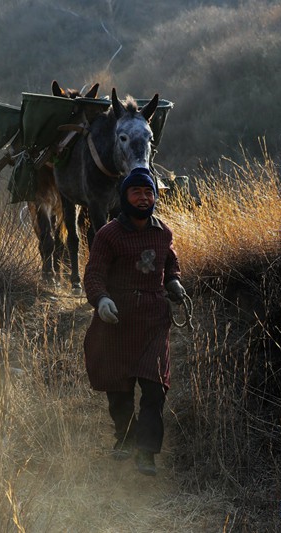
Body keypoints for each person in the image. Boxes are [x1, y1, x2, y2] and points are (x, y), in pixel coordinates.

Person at [83, 167, 187, 476]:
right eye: (136, 192)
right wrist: (101, 300)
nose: (143, 198)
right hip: (118, 320)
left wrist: (173, 282)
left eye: (149, 192)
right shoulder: (109, 235)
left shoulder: (163, 232)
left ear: (155, 197)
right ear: (125, 197)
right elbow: (94, 274)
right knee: (120, 387)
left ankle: (147, 453)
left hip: (154, 320)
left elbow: (170, 261)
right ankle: (125, 438)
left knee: (156, 389)